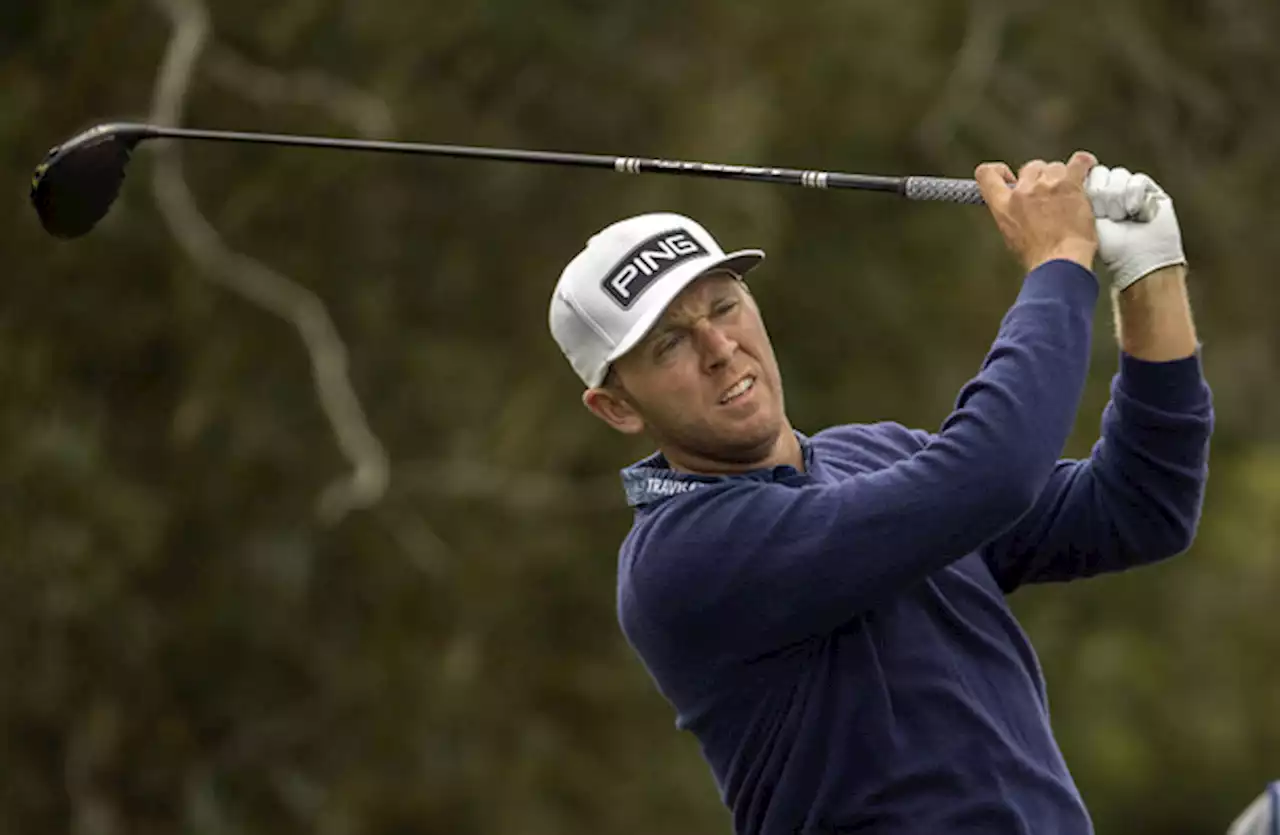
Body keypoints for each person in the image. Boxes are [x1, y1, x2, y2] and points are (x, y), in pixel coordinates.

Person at [547, 151, 1214, 835]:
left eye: (725, 306)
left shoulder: (875, 452)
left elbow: (1141, 507)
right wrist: (1061, 263)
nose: (719, 347)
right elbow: (990, 473)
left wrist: (1148, 276)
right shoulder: (681, 555)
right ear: (617, 408)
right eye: (668, 345)